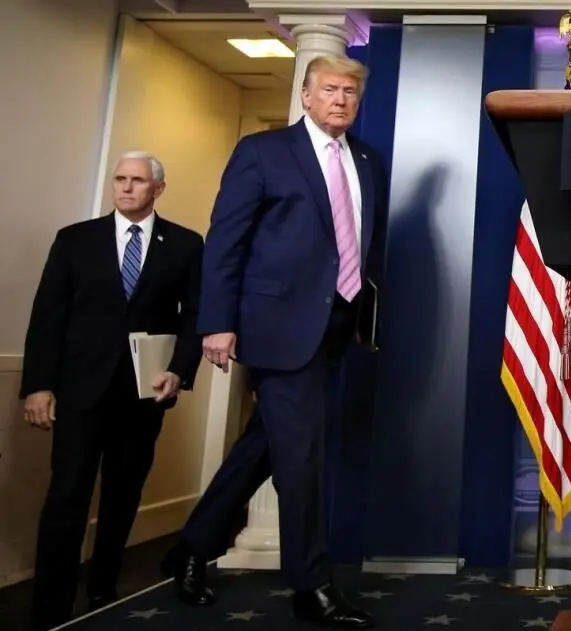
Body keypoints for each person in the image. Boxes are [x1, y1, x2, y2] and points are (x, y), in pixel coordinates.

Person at [161, 54, 389, 629]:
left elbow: (367, 244)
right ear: (306, 96)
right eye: (329, 89)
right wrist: (216, 321)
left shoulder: (368, 159)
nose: (340, 99)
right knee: (302, 455)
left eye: (350, 92)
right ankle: (311, 586)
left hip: (338, 326)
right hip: (277, 326)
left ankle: (191, 546)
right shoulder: (263, 152)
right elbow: (226, 240)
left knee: (267, 445)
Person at [21, 151, 204, 630]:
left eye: (137, 180)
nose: (125, 187)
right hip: (79, 392)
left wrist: (180, 371)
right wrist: (38, 385)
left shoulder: (185, 244)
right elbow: (47, 316)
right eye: (120, 178)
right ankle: (50, 607)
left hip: (143, 395)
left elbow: (194, 317)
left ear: (158, 189)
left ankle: (103, 589)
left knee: (123, 496)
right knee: (67, 497)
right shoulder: (75, 240)